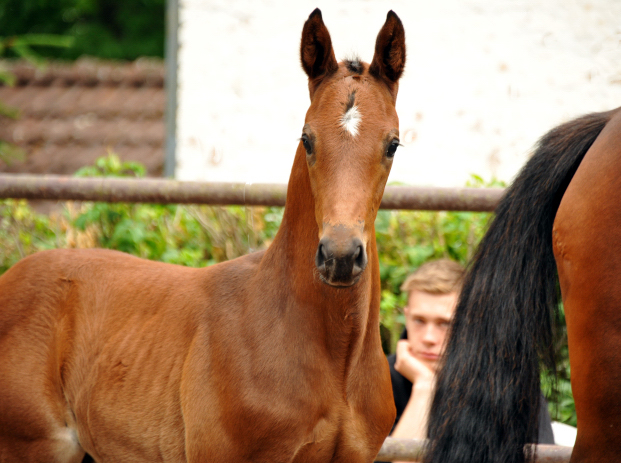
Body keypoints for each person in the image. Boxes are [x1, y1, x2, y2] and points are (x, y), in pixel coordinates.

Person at [387, 259, 555, 446]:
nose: (428, 338)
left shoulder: (510, 385)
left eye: (445, 323)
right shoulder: (377, 380)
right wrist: (424, 387)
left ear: (470, 323)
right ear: (407, 315)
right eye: (419, 320)